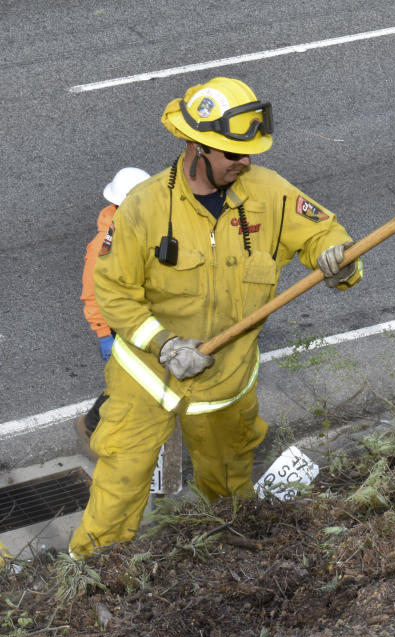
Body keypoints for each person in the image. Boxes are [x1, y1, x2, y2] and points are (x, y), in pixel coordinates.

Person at [69, 77, 363, 557]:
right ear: (196, 147)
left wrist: (338, 257)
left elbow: (323, 232)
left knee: (230, 490)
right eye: (233, 154)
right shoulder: (143, 207)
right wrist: (163, 344)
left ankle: (233, 562)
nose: (245, 162)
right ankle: (88, 581)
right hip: (145, 377)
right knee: (118, 491)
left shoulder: (267, 193)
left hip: (225, 383)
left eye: (249, 152)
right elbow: (113, 291)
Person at [75, 167, 151, 461]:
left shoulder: (144, 226)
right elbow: (91, 293)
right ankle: (92, 427)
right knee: (125, 384)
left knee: (139, 381)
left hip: (143, 317)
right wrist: (103, 334)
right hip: (119, 326)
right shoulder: (102, 247)